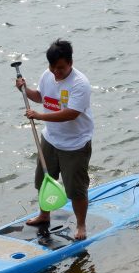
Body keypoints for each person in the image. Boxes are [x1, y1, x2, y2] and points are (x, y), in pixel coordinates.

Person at [15, 39, 94, 240]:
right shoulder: (47, 75)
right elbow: (41, 97)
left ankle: (81, 226)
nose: (56, 72)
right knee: (43, 181)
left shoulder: (80, 83)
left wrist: (40, 116)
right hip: (50, 139)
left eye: (61, 68)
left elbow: (71, 113)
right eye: (52, 67)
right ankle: (43, 215)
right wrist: (25, 90)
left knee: (75, 189)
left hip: (75, 143)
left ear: (70, 63)